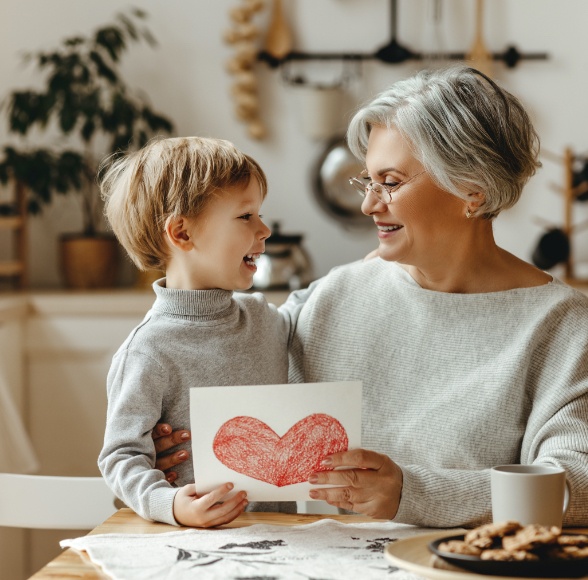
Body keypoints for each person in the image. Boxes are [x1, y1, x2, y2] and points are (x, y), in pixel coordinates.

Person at [154, 65, 588, 528]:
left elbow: (577, 486)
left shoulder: (561, 325)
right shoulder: (335, 297)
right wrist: (180, 448)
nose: (368, 204)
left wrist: (411, 492)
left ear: (472, 191)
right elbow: (240, 394)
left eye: (392, 182)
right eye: (368, 181)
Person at [98, 136, 296, 528]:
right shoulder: (148, 350)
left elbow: (320, 303)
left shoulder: (264, 319)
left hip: (283, 541)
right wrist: (171, 504)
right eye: (246, 216)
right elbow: (120, 457)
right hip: (191, 549)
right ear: (182, 234)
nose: (265, 229)